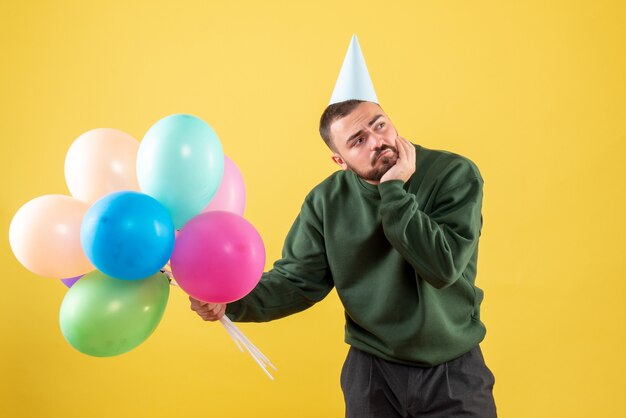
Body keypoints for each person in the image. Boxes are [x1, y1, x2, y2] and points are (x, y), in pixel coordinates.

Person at [190, 98, 496, 417]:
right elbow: (298, 281)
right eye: (358, 140)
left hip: (453, 370)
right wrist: (232, 301)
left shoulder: (453, 174)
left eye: (379, 125)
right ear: (340, 161)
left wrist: (392, 190)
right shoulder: (325, 201)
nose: (378, 141)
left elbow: (442, 266)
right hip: (373, 374)